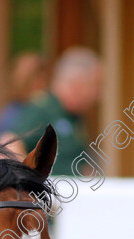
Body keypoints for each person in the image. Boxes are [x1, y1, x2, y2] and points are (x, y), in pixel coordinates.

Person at [8, 46, 102, 176]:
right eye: (95, 85)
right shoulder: (43, 110)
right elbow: (11, 144)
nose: (97, 94)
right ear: (77, 83)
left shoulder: (75, 116)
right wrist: (29, 183)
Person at [0, 52, 49, 135]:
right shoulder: (10, 115)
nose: (42, 85)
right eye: (37, 80)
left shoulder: (44, 110)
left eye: (44, 79)